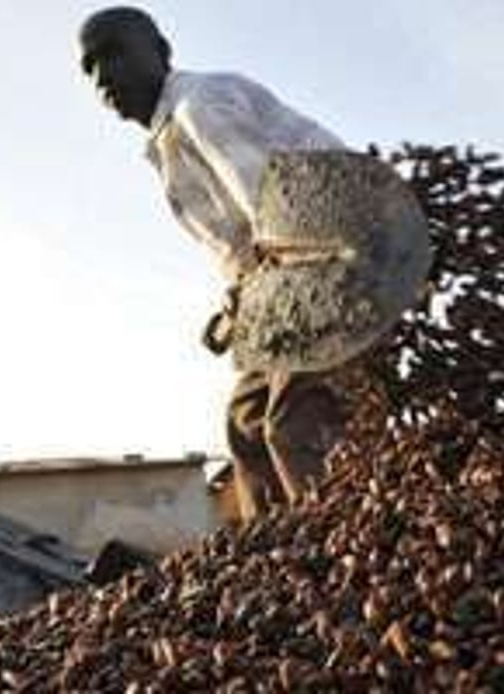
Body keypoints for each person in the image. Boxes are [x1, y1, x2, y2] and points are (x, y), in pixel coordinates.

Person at [78, 7, 347, 521]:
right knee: (245, 428)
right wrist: (234, 306)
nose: (103, 76)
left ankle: (342, 543)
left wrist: (254, 297)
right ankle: (275, 558)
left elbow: (281, 212)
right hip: (278, 276)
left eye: (113, 53)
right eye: (90, 68)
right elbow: (250, 244)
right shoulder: (168, 138)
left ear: (160, 51)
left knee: (291, 424)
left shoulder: (198, 109)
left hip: (332, 248)